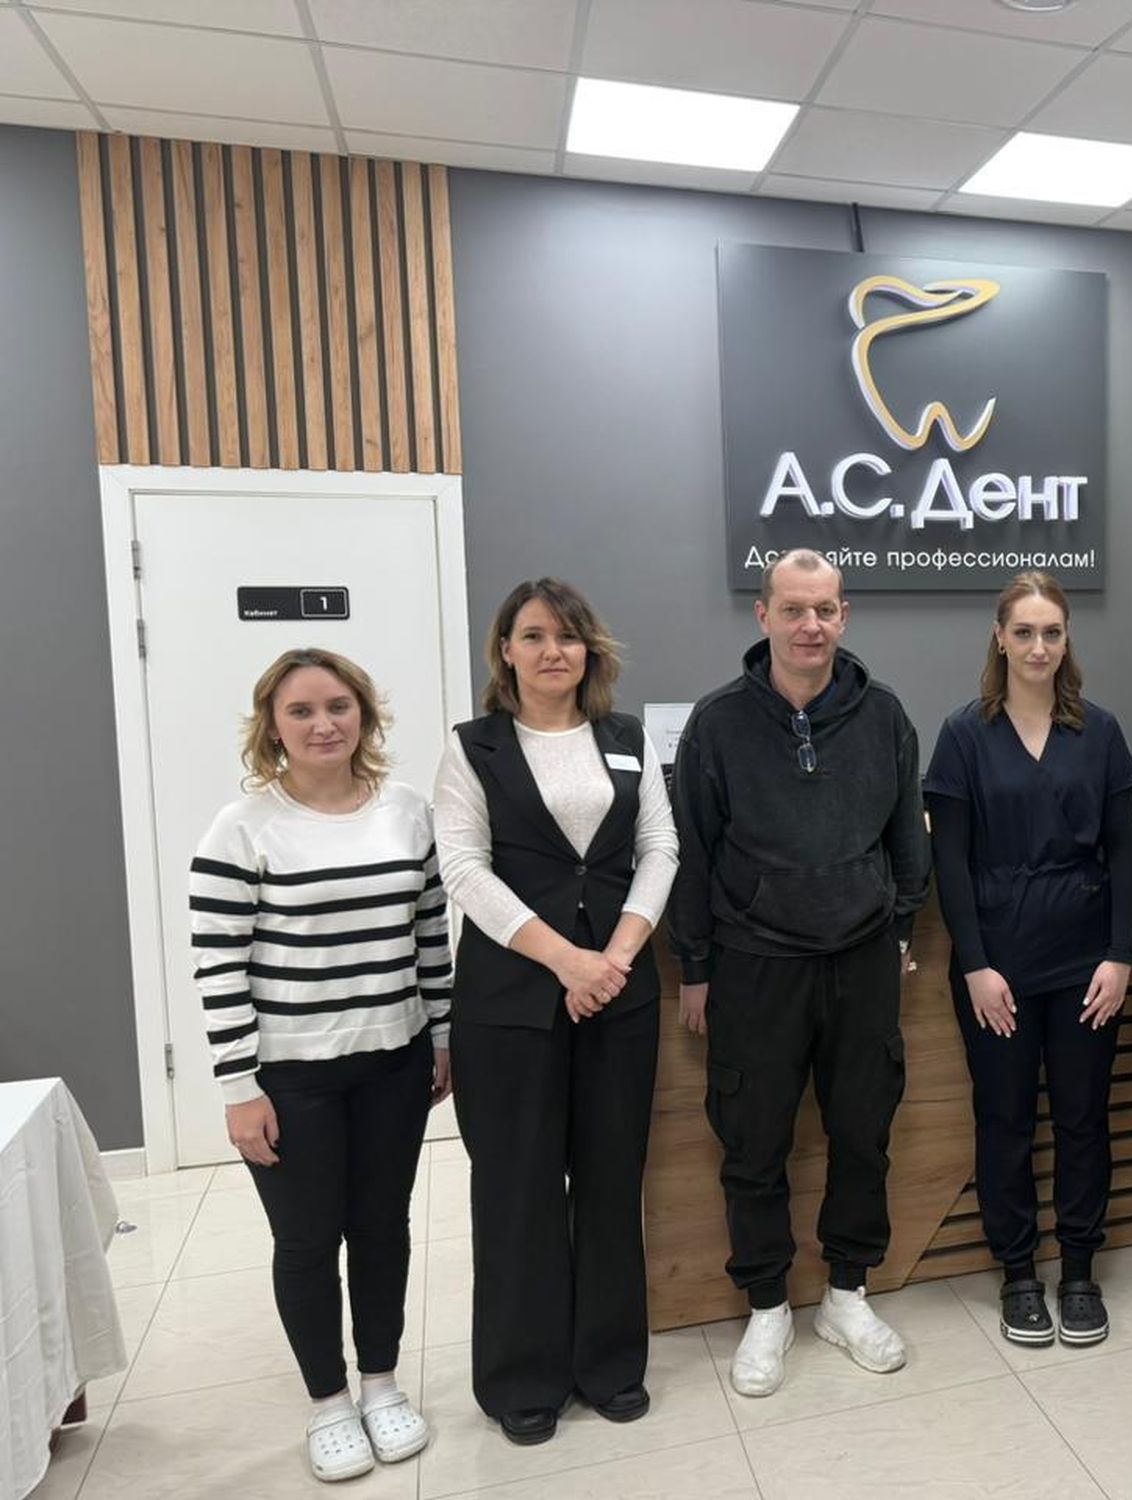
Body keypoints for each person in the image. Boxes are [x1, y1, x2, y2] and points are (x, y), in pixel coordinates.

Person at [669, 548, 929, 1397]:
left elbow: (908, 839)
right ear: (764, 617)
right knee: (754, 1144)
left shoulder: (884, 716)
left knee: (863, 1133)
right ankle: (768, 1306)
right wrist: (696, 965)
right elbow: (692, 852)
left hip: (860, 961)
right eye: (793, 609)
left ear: (843, 616)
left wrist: (897, 929)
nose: (810, 625)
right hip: (754, 965)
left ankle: (847, 1295)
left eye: (824, 610)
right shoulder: (717, 724)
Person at [190, 648, 450, 1483]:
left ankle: (380, 1383)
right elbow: (219, 968)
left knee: (382, 1228)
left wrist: (442, 1038)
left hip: (394, 1063)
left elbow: (431, 936)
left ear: (364, 716)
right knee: (306, 1241)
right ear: (272, 726)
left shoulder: (408, 813)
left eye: (338, 706)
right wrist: (239, 1089)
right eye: (300, 711)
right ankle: (329, 1402)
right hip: (291, 1078)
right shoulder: (243, 828)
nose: (323, 724)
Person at [433, 579, 677, 1444]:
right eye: (533, 636)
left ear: (589, 650)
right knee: (518, 1189)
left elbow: (660, 846)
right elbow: (464, 870)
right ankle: (521, 1377)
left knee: (611, 1183)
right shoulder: (474, 748)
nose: (552, 651)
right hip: (509, 1006)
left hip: (619, 996)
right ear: (505, 650)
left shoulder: (626, 738)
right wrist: (567, 960)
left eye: (568, 636)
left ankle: (609, 1363)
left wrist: (615, 957)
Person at [925, 572, 1132, 1347]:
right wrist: (976, 966)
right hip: (998, 969)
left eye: (1051, 632)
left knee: (1083, 1120)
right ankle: (1018, 1272)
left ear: (1066, 638)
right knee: (1005, 1120)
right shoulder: (963, 734)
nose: (1038, 647)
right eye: (1024, 632)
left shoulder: (1100, 731)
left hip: (1086, 966)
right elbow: (950, 864)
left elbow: (1126, 854)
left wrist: (1120, 955)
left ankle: (1079, 1270)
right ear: (1000, 637)